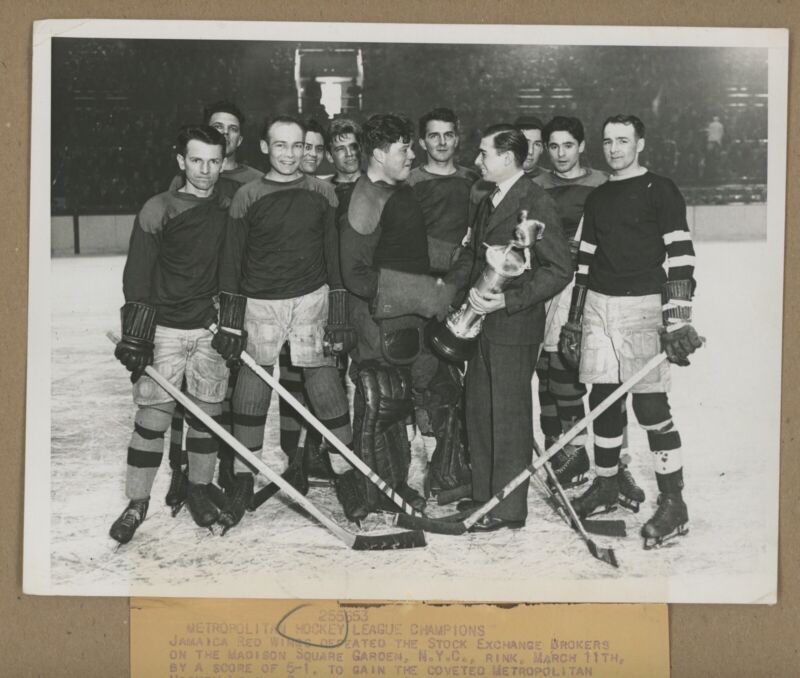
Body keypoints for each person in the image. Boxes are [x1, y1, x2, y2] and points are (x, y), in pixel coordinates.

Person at [559, 114, 703, 548]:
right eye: (608, 141)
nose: (614, 148)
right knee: (603, 399)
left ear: (640, 143)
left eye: (623, 140)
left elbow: (680, 254)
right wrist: (574, 317)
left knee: (651, 406)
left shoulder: (661, 189)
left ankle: (674, 503)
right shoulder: (599, 197)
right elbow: (583, 262)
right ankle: (606, 485)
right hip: (600, 307)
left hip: (643, 306)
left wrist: (677, 318)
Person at [214, 115, 353, 529]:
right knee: (253, 384)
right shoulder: (247, 195)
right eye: (280, 146)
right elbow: (232, 262)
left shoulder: (322, 192)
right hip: (260, 302)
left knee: (323, 380)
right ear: (264, 147)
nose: (290, 155)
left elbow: (333, 255)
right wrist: (231, 321)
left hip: (311, 298)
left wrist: (339, 314)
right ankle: (242, 477)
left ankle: (345, 475)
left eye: (297, 146)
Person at [446, 124, 572, 532]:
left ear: (507, 158)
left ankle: (509, 507)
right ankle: (484, 497)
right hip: (480, 323)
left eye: (484, 153)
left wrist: (509, 300)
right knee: (479, 408)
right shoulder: (489, 199)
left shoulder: (536, 201)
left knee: (510, 415)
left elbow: (560, 269)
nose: (477, 160)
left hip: (514, 326)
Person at [110, 126, 231, 544]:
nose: (205, 169)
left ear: (223, 162)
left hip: (208, 330)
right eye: (196, 160)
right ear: (181, 161)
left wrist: (230, 322)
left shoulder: (229, 208)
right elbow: (137, 276)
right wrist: (137, 335)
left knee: (207, 417)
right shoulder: (157, 208)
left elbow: (235, 272)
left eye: (214, 161)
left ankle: (198, 489)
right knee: (151, 420)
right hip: (162, 330)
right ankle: (136, 503)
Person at [337, 113, 458, 519]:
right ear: (377, 153)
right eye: (403, 148)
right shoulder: (365, 199)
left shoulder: (398, 190)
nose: (412, 154)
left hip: (410, 318)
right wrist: (428, 294)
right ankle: (384, 488)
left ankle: (444, 475)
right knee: (385, 401)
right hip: (382, 324)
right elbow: (356, 274)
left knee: (434, 389)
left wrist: (458, 257)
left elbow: (410, 247)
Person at [166, 101, 262, 504]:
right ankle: (180, 470)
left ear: (240, 137)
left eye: (232, 128)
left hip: (238, 297)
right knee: (185, 391)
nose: (225, 133)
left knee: (230, 388)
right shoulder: (187, 178)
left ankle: (224, 468)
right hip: (193, 305)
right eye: (216, 127)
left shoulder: (255, 180)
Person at [532, 116, 612, 489]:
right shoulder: (536, 186)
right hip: (544, 282)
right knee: (545, 373)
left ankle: (587, 452)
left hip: (584, 287)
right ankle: (558, 446)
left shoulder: (601, 184)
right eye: (553, 146)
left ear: (581, 146)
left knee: (570, 367)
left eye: (568, 145)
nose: (561, 154)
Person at [408, 107, 480, 275]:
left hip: (464, 275)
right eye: (434, 136)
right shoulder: (409, 182)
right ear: (422, 143)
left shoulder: (473, 180)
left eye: (448, 135)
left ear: (456, 140)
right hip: (423, 276)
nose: (442, 142)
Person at [514, 115, 545, 180]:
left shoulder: (552, 182)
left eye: (537, 144)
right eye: (525, 143)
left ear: (542, 149)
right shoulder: (494, 179)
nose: (530, 151)